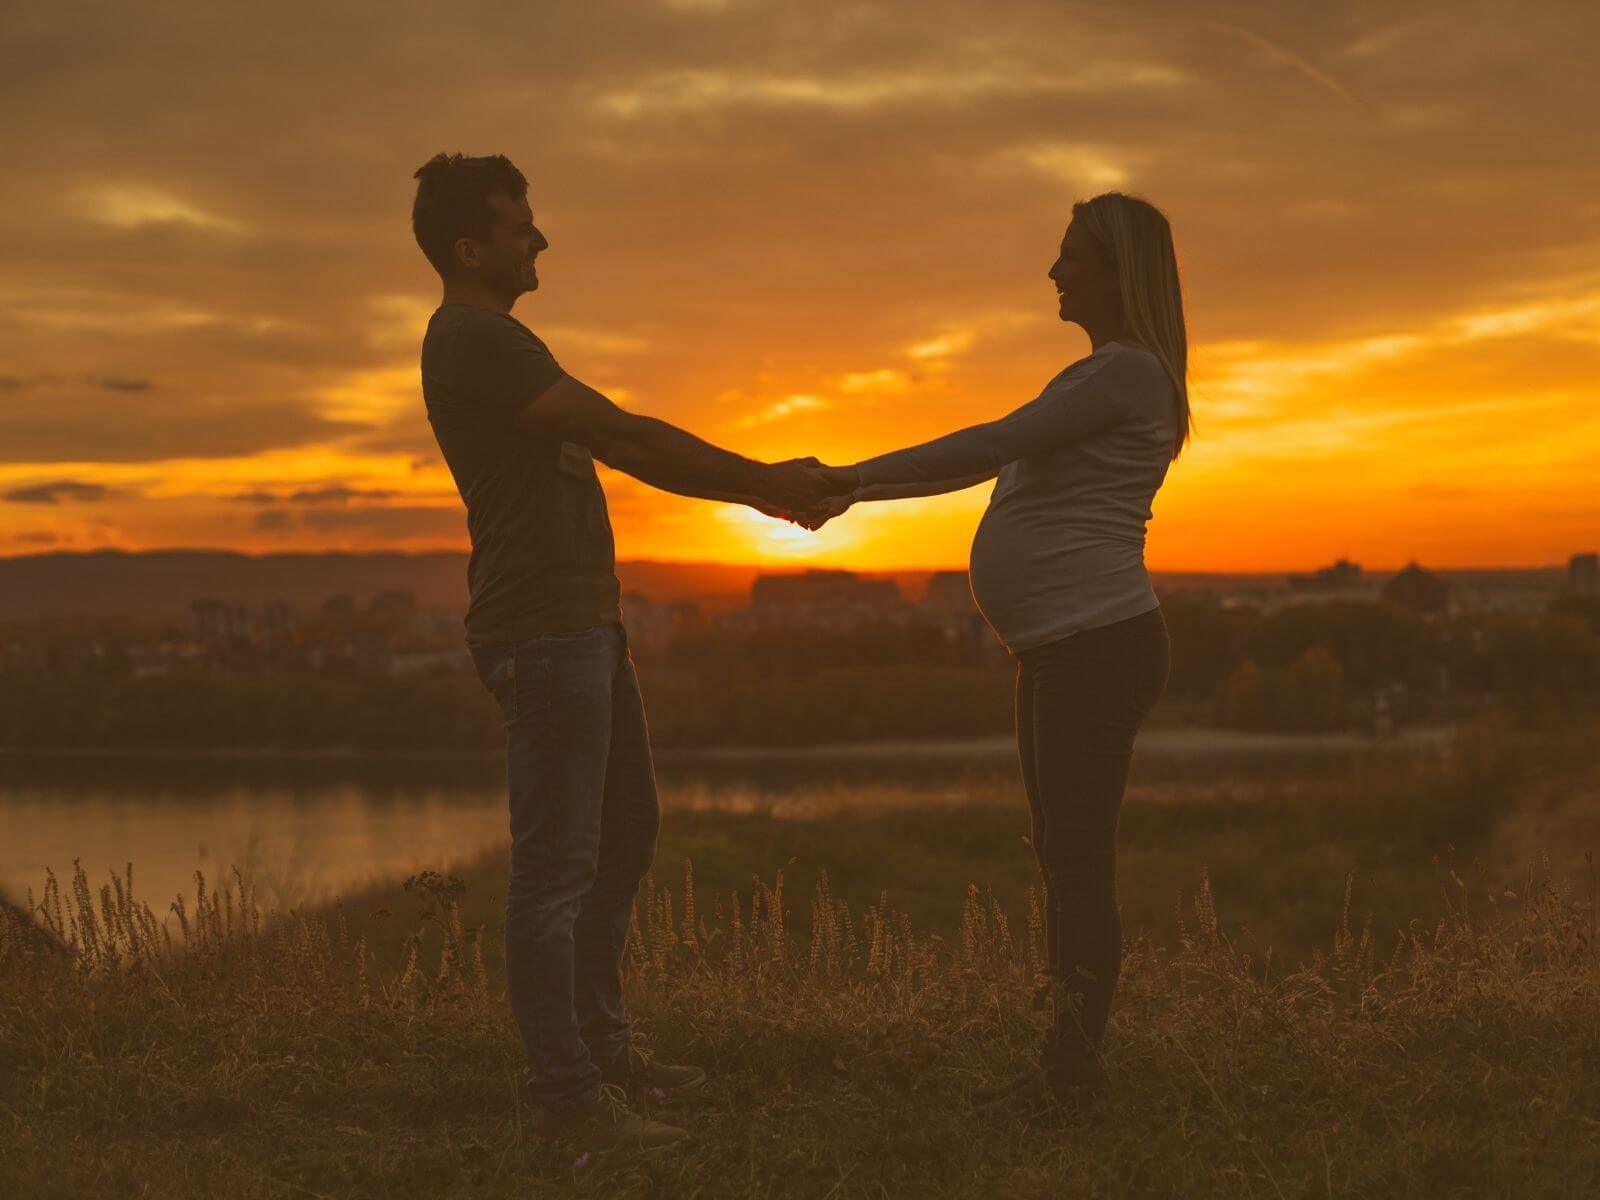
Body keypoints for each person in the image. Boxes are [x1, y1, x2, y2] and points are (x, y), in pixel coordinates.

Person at [411, 152, 831, 1151]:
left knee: (624, 835)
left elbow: (611, 437)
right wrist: (763, 483)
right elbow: (624, 436)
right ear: (471, 248)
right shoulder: (474, 338)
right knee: (554, 870)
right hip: (542, 635)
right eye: (521, 228)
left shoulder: (500, 338)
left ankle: (600, 1052)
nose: (541, 240)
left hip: (582, 628)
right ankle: (566, 1099)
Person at [804, 193, 1191, 1113]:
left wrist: (848, 479)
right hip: (1065, 648)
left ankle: (1069, 1077)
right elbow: (970, 462)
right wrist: (851, 493)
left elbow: (987, 446)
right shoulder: (1096, 375)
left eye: (1069, 257)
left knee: (1079, 864)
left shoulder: (1126, 374)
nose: (1053, 273)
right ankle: (1065, 1065)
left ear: (1116, 270)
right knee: (1061, 857)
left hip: (1095, 647)